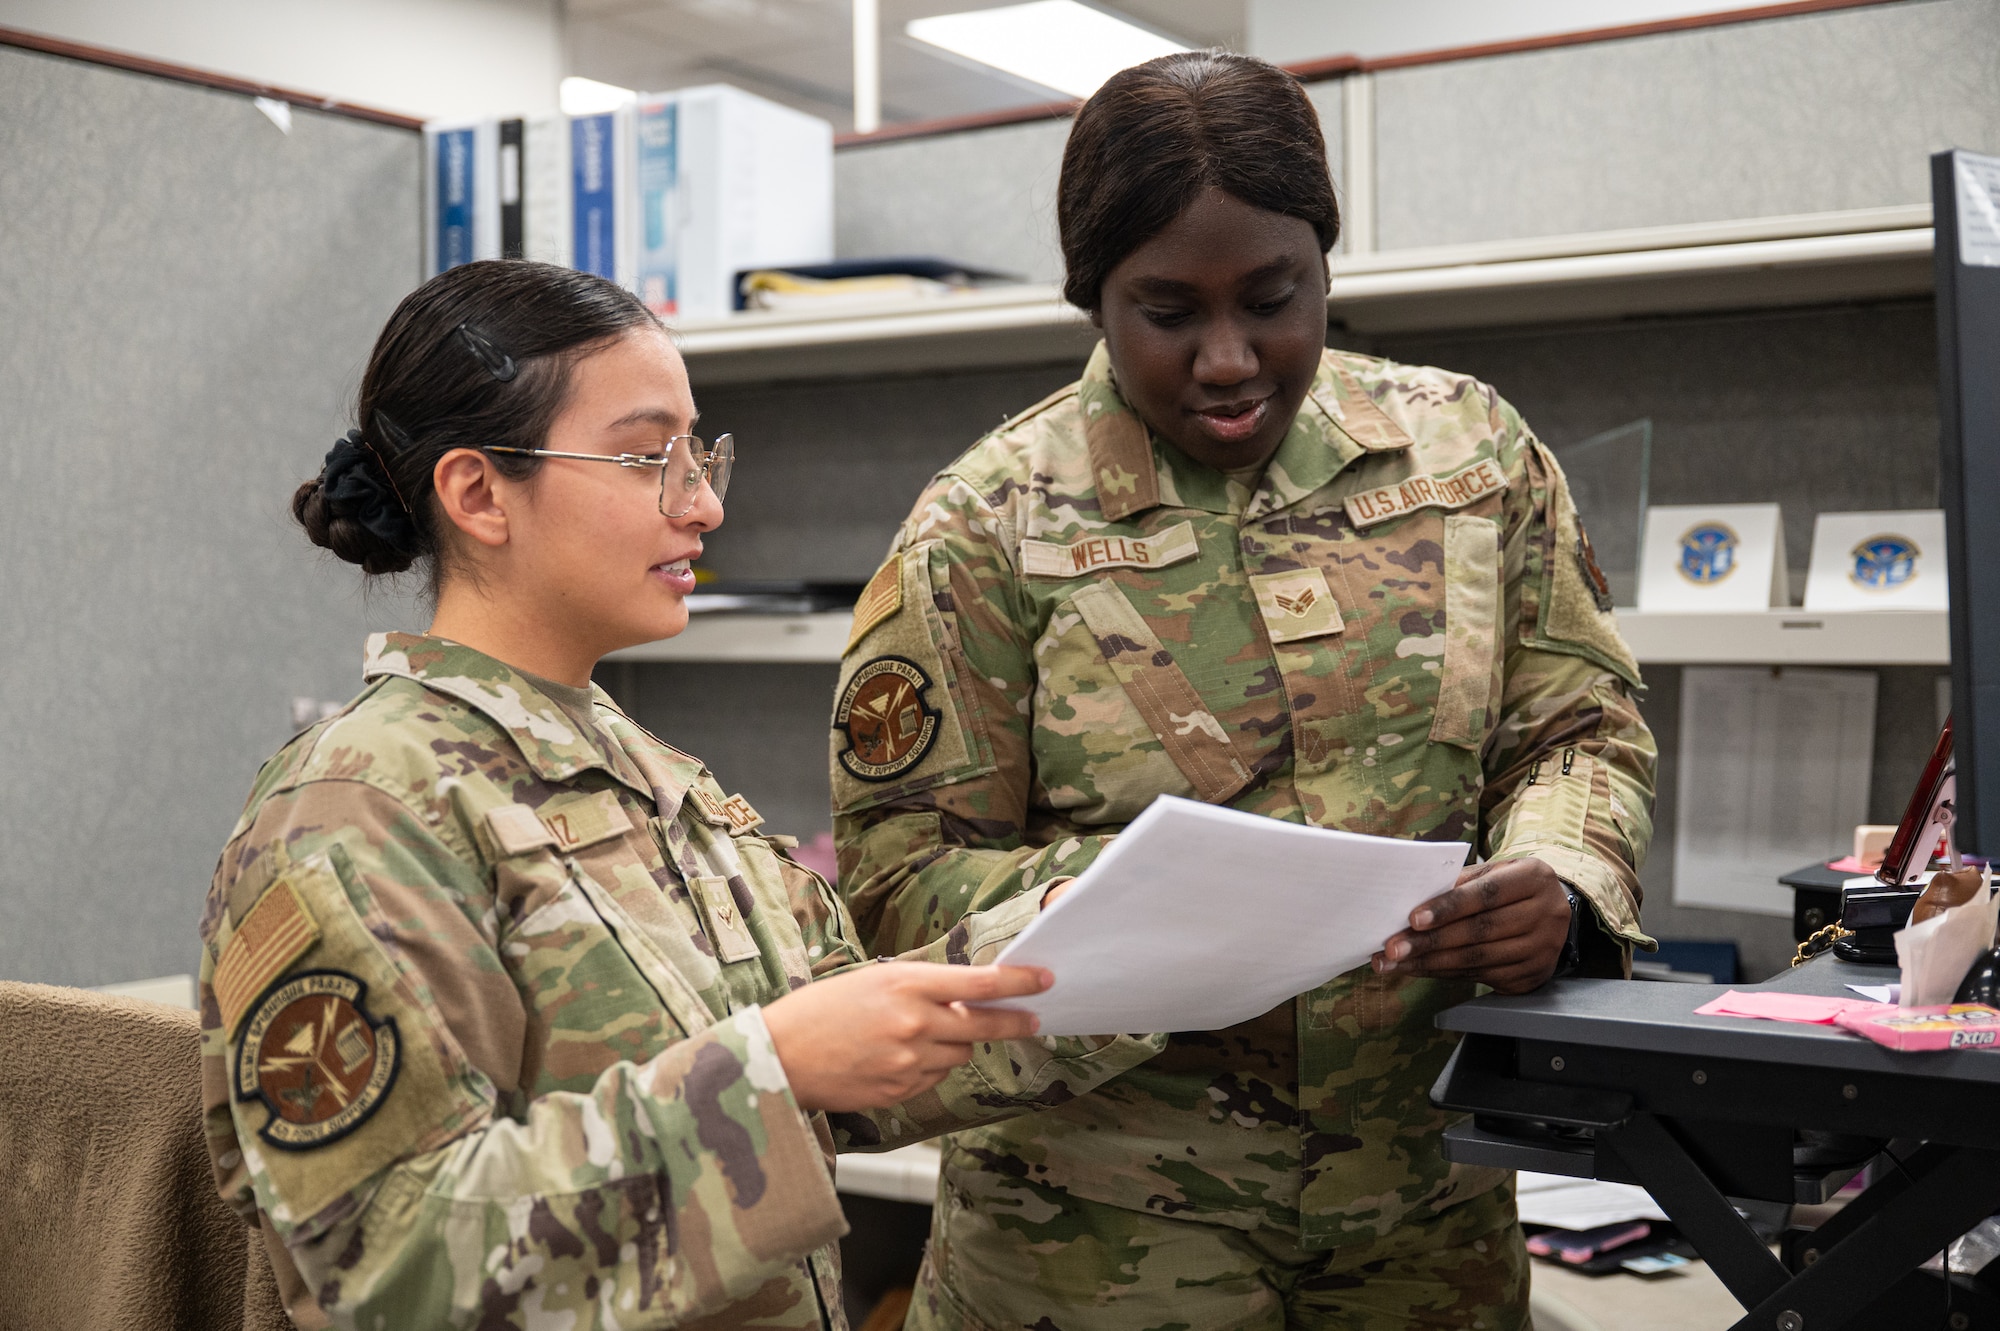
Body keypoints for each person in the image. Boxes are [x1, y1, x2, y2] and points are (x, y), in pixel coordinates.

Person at [832, 52, 1657, 1331]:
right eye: (1166, 311)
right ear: (1092, 300)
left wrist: (1558, 878)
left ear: (1324, 262)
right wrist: (1158, 913)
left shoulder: (1469, 452)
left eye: (1275, 297)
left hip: (1423, 1212)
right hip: (1096, 1232)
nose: (1228, 359)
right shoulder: (983, 525)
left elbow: (1577, 725)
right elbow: (895, 877)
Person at [197, 260, 1163, 1330]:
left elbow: (852, 1021)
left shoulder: (641, 768)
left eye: (697, 454)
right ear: (476, 493)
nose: (701, 501)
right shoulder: (355, 811)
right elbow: (389, 1260)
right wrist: (772, 1066)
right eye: (644, 456)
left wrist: (1112, 937)